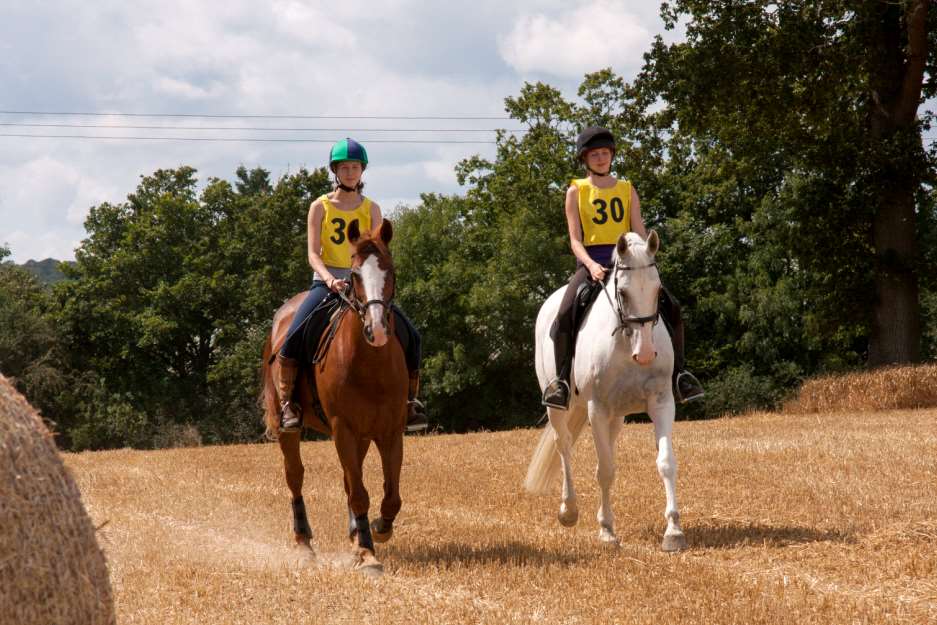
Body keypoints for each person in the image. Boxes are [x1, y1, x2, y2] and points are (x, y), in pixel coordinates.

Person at [541, 126, 705, 410]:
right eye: (595, 154)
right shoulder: (575, 191)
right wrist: (591, 266)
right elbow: (574, 240)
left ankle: (681, 375)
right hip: (593, 261)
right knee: (565, 314)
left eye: (605, 153)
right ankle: (562, 383)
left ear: (612, 156)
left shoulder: (627, 189)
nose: (601, 158)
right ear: (585, 159)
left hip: (628, 263)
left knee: (673, 307)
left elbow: (639, 231)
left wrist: (645, 260)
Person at [276, 138, 428, 432]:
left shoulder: (372, 208)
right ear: (335, 170)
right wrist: (330, 279)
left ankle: (410, 402)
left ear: (362, 171)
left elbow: (380, 251)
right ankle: (287, 405)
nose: (349, 172)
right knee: (293, 335)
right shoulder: (319, 207)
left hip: (365, 285)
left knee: (413, 336)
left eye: (355, 167)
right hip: (327, 281)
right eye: (344, 167)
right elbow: (312, 253)